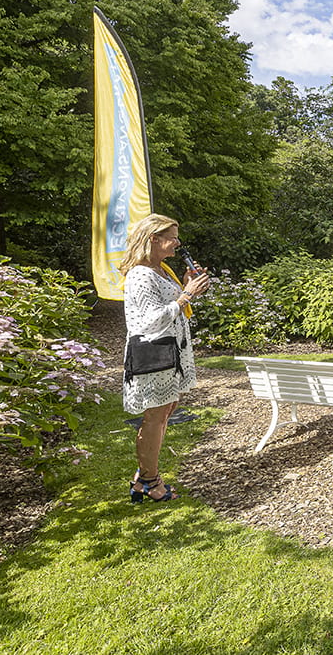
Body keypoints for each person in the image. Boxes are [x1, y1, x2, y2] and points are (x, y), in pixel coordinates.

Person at [120, 214, 210, 503]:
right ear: (153, 239)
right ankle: (149, 482)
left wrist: (186, 286)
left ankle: (143, 477)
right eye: (172, 237)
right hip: (153, 354)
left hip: (170, 352)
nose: (178, 243)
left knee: (166, 411)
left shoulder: (160, 270)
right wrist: (185, 295)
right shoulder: (140, 274)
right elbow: (149, 321)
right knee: (154, 417)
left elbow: (171, 304)